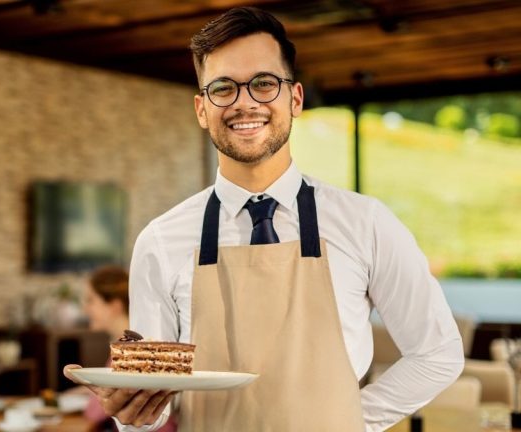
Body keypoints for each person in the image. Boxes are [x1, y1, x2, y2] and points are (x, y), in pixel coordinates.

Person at [64, 6, 464, 432]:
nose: (245, 102)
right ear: (201, 109)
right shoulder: (160, 241)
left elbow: (437, 352)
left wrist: (350, 420)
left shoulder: (366, 223)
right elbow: (152, 403)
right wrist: (134, 414)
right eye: (223, 88)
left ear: (295, 98)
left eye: (264, 83)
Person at [78, 266, 177, 432]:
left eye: (91, 300)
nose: (85, 309)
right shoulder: (139, 340)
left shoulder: (128, 350)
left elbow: (94, 412)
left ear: (114, 306)